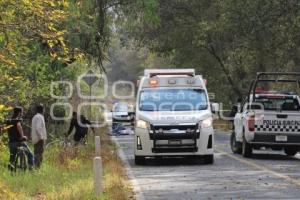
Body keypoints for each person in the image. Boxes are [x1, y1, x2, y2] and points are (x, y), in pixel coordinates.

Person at [31, 104, 47, 168]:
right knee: (39, 154)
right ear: (43, 110)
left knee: (36, 153)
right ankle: (37, 168)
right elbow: (38, 128)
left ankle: (36, 167)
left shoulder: (35, 117)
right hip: (39, 139)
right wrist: (41, 137)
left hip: (35, 138)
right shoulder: (40, 117)